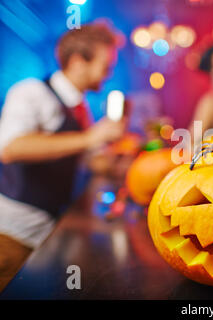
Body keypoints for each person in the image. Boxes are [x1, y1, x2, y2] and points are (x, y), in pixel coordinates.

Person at [0, 23, 126, 290]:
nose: (109, 73)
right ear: (79, 61)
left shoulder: (80, 108)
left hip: (45, 235)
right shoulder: (31, 92)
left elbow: (89, 160)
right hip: (10, 236)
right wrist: (90, 138)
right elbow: (10, 147)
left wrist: (118, 152)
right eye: (106, 65)